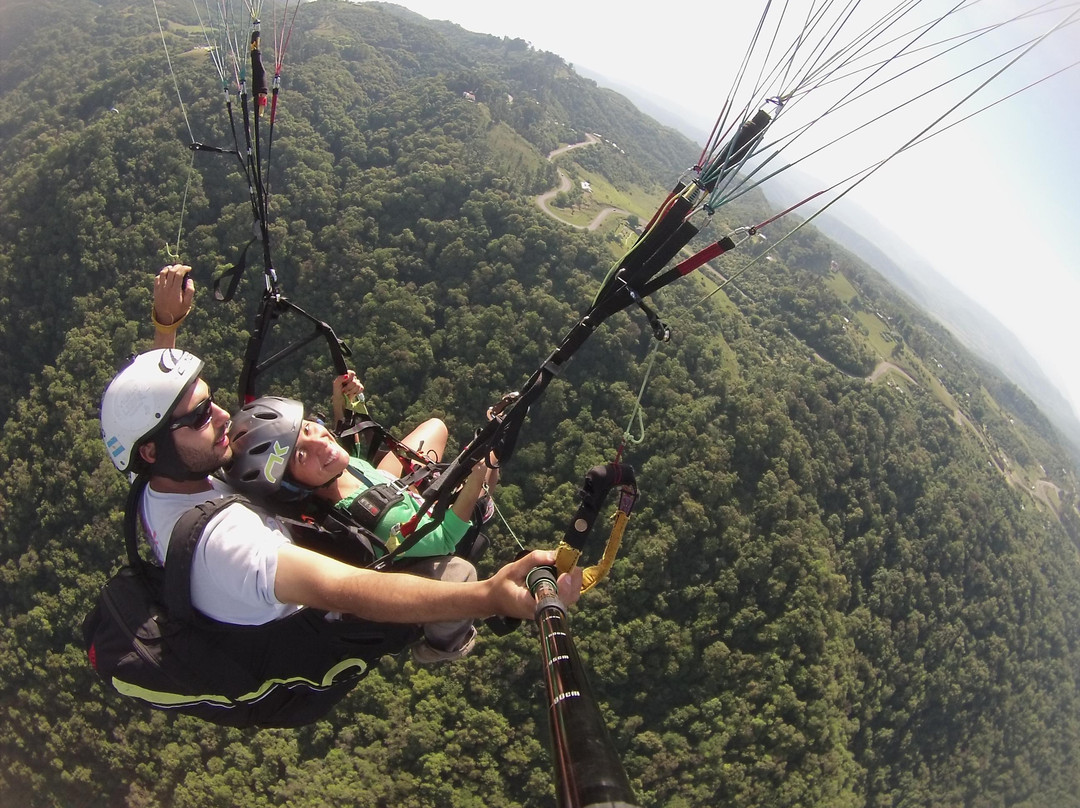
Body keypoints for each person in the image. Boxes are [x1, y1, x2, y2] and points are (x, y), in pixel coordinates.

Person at [100, 265, 582, 664]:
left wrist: (166, 328)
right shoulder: (230, 547)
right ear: (152, 450)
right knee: (457, 572)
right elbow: (350, 589)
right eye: (205, 414)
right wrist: (489, 597)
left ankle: (383, 471)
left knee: (418, 440)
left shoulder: (167, 471)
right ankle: (445, 643)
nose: (222, 415)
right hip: (323, 616)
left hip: (336, 505)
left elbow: (160, 414)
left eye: (212, 403)